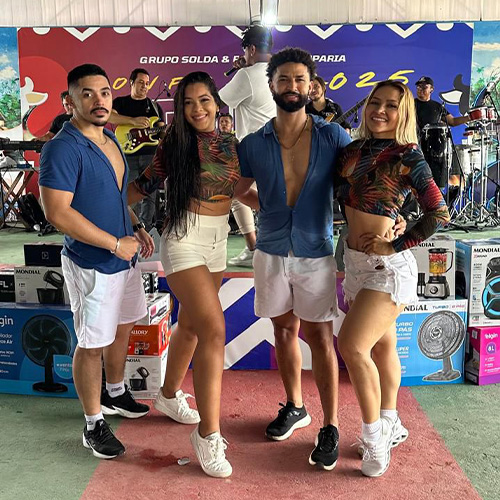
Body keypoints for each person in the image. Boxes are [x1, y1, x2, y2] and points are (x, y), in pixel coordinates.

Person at [129, 71, 254, 478]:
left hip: (218, 241)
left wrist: (284, 206)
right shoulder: (175, 143)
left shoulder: (232, 144)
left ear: (217, 102)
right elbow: (141, 187)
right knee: (214, 329)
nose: (197, 109)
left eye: (204, 100)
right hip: (183, 239)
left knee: (191, 326)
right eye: (188, 102)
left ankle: (168, 395)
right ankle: (208, 435)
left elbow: (239, 191)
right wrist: (120, 212)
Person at [235, 47, 351, 470]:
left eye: (300, 79)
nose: (292, 86)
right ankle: (295, 406)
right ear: (271, 85)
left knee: (320, 337)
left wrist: (389, 220)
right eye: (284, 79)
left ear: (312, 86)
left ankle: (331, 425)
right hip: (270, 250)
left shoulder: (333, 137)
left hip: (315, 252)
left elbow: (357, 187)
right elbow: (237, 189)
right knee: (283, 331)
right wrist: (267, 207)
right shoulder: (253, 144)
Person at [39, 64, 155, 460]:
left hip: (125, 255)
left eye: (104, 92)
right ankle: (93, 423)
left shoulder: (109, 139)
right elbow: (57, 212)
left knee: (123, 327)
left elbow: (116, 196)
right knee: (91, 344)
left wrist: (135, 226)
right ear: (69, 101)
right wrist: (113, 243)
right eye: (87, 93)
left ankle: (116, 392)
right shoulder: (62, 148)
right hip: (92, 262)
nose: (99, 100)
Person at [336, 80, 450, 477]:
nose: (380, 111)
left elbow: (439, 212)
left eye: (391, 105)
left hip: (388, 268)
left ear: (404, 114)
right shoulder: (351, 151)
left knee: (352, 345)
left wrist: (397, 243)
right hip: (355, 264)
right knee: (383, 346)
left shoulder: (408, 155)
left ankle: (375, 437)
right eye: (375, 103)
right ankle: (391, 421)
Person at [219, 24, 276, 268]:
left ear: (251, 49)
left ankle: (255, 247)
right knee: (269, 198)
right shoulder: (279, 71)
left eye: (245, 51)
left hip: (252, 147)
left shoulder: (247, 75)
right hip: (277, 145)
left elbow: (218, 99)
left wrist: (241, 71)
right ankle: (264, 246)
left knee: (238, 195)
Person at [111, 68, 165, 232]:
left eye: (147, 83)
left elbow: (161, 132)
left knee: (149, 195)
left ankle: (145, 230)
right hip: (128, 155)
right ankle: (128, 229)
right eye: (141, 82)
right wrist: (133, 121)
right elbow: (109, 116)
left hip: (150, 156)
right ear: (131, 83)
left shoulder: (154, 106)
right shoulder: (121, 102)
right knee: (129, 194)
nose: (144, 86)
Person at [414, 75, 470, 189]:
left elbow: (452, 121)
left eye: (424, 87)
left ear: (431, 89)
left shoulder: (437, 107)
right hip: (414, 145)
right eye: (418, 87)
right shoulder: (409, 104)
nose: (421, 89)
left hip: (433, 149)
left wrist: (469, 118)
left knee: (435, 181)